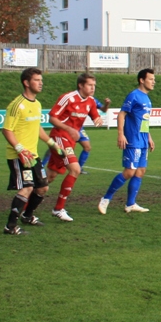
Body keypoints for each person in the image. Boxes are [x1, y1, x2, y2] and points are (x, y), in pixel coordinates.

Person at [1, 67, 63, 234]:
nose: (40, 83)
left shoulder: (36, 104)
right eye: (36, 80)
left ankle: (27, 216)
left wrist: (52, 144)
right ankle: (10, 227)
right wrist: (20, 149)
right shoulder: (17, 105)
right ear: (26, 83)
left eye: (41, 80)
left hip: (32, 156)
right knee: (27, 188)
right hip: (19, 156)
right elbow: (6, 130)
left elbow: (37, 127)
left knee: (42, 188)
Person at [46, 73, 109, 222]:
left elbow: (95, 115)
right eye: (90, 85)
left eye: (94, 85)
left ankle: (25, 201)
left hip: (70, 140)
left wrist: (98, 119)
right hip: (59, 136)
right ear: (81, 85)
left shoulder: (90, 101)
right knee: (75, 169)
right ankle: (58, 208)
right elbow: (52, 118)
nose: (93, 88)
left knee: (50, 176)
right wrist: (69, 129)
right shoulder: (68, 98)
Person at [99, 69, 156, 214]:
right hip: (133, 140)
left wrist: (149, 137)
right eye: (150, 79)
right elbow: (121, 114)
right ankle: (105, 199)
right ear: (141, 80)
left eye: (154, 79)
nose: (153, 82)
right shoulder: (134, 95)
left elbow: (144, 121)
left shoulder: (147, 98)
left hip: (143, 140)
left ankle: (130, 204)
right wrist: (120, 134)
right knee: (129, 172)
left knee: (140, 171)